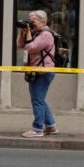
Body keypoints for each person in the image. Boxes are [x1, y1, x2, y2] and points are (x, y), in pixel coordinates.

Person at [17, 10, 56, 138]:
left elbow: (31, 48)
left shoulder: (46, 35)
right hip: (36, 71)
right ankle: (50, 126)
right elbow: (20, 44)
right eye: (29, 20)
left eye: (33, 21)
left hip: (43, 72)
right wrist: (22, 30)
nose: (31, 23)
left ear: (42, 21)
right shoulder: (35, 33)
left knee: (37, 100)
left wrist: (28, 31)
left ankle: (38, 129)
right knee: (39, 99)